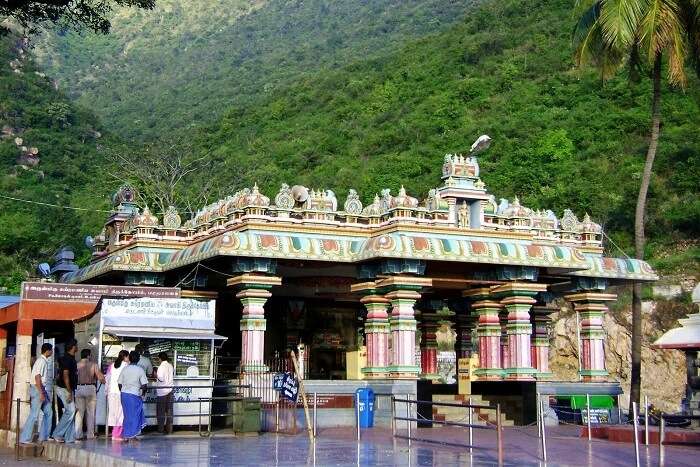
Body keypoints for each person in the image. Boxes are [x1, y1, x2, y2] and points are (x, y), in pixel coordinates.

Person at [19, 343, 53, 445]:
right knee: (34, 414)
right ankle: (24, 438)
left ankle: (44, 436)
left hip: (41, 389)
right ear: (47, 351)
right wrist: (41, 393)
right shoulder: (41, 361)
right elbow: (37, 377)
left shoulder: (43, 361)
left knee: (48, 412)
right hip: (38, 389)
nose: (52, 352)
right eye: (51, 350)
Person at [74, 349, 105, 440]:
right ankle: (90, 434)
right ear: (88, 356)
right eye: (90, 355)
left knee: (79, 413)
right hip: (90, 388)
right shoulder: (94, 365)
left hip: (79, 388)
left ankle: (77, 434)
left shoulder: (77, 365)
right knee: (90, 413)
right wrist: (104, 380)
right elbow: (101, 378)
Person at [52, 339, 78, 443]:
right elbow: (65, 375)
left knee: (70, 411)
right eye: (76, 345)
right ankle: (57, 433)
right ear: (73, 347)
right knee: (71, 411)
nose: (77, 347)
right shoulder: (68, 359)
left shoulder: (70, 358)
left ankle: (69, 437)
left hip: (67, 388)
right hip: (64, 388)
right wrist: (69, 391)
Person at [118, 351, 148, 441]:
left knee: (127, 415)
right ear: (138, 359)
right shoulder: (140, 370)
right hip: (134, 395)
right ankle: (133, 435)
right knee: (135, 415)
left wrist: (123, 391)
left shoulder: (125, 369)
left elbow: (119, 383)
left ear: (130, 358)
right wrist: (142, 394)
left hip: (124, 395)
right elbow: (144, 385)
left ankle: (126, 436)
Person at [106, 350, 129, 440]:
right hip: (120, 392)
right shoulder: (126, 366)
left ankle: (114, 433)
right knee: (121, 414)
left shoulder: (112, 366)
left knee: (114, 414)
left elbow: (107, 379)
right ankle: (117, 434)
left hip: (112, 392)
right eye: (128, 356)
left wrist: (107, 392)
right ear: (125, 357)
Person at [155, 352, 174, 434]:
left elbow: (161, 379)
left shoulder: (161, 367)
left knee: (161, 411)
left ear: (160, 358)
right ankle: (169, 430)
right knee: (169, 410)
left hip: (162, 391)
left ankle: (161, 429)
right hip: (170, 390)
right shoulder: (170, 365)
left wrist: (156, 375)